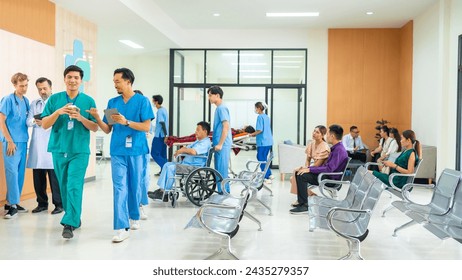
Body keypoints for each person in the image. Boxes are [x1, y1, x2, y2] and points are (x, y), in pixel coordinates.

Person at [88, 68, 154, 243]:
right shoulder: (112, 102)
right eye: (114, 81)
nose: (115, 84)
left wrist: (126, 122)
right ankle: (121, 227)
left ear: (128, 82)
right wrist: (97, 118)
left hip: (137, 150)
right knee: (119, 188)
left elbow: (147, 127)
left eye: (117, 81)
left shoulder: (142, 101)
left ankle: (134, 216)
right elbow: (108, 129)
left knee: (135, 186)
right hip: (118, 151)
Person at [41, 65, 99, 239]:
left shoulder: (88, 101)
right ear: (64, 79)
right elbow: (44, 124)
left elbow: (95, 127)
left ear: (81, 81)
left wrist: (81, 118)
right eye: (69, 77)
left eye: (76, 77)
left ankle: (69, 223)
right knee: (64, 186)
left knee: (74, 185)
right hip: (59, 149)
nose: (73, 80)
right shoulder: (54, 100)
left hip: (79, 150)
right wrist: (58, 112)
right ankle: (74, 217)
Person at [289, 124, 348, 214]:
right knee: (300, 173)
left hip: (330, 179)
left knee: (302, 176)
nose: (326, 136)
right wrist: (308, 168)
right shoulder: (336, 148)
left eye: (327, 134)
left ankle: (305, 205)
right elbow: (326, 167)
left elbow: (329, 169)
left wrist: (310, 170)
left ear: (332, 136)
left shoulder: (339, 150)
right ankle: (302, 202)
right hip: (326, 175)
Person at [26, 77, 62, 215]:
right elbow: (28, 120)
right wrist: (36, 122)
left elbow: (60, 121)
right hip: (37, 145)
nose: (42, 91)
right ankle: (42, 204)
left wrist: (47, 122)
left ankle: (59, 204)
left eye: (45, 88)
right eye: (40, 89)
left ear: (51, 88)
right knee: (38, 177)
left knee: (55, 178)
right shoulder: (34, 103)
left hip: (52, 143)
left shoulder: (57, 102)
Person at [149, 121, 212, 199]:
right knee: (167, 164)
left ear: (205, 131)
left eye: (198, 130)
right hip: (187, 164)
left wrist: (182, 150)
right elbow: (188, 148)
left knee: (170, 168)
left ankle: (165, 193)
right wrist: (183, 149)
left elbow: (193, 151)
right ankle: (162, 190)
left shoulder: (205, 143)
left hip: (193, 167)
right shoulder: (199, 141)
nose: (196, 132)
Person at [0, 72, 30, 219]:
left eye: (26, 85)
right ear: (14, 85)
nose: (24, 88)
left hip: (23, 140)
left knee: (19, 173)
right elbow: (1, 121)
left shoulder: (25, 101)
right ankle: (12, 206)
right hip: (10, 142)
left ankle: (13, 202)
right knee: (11, 172)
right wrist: (9, 140)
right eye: (21, 86)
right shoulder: (7, 100)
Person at [290, 125, 330, 206]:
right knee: (293, 176)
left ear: (322, 135)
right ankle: (311, 195)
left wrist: (307, 169)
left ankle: (302, 200)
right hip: (313, 168)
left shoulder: (325, 147)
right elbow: (308, 159)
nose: (314, 133)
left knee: (298, 175)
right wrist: (306, 167)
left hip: (320, 171)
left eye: (317, 132)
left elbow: (317, 165)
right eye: (314, 131)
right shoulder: (312, 143)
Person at [208, 85, 232, 193]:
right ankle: (222, 194)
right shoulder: (219, 108)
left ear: (217, 95)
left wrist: (220, 144)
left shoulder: (221, 108)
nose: (209, 98)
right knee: (218, 171)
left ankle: (225, 195)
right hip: (218, 143)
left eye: (210, 95)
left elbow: (225, 127)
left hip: (222, 145)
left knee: (222, 172)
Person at [134, 89, 150, 220]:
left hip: (141, 150)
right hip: (127, 150)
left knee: (142, 180)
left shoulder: (144, 108)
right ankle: (133, 208)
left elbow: (147, 127)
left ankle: (139, 205)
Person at [249, 102, 273, 184]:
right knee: (264, 158)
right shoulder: (266, 117)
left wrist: (252, 134)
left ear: (259, 108)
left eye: (256, 108)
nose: (255, 109)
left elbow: (260, 130)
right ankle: (269, 174)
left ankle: (266, 177)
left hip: (263, 142)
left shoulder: (260, 117)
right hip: (268, 141)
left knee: (261, 158)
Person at [151, 94, 168, 175]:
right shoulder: (164, 110)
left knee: (154, 153)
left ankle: (166, 167)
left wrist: (165, 135)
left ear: (156, 101)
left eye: (153, 100)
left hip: (159, 136)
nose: (152, 102)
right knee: (162, 154)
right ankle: (163, 171)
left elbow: (162, 123)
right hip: (163, 135)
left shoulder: (160, 111)